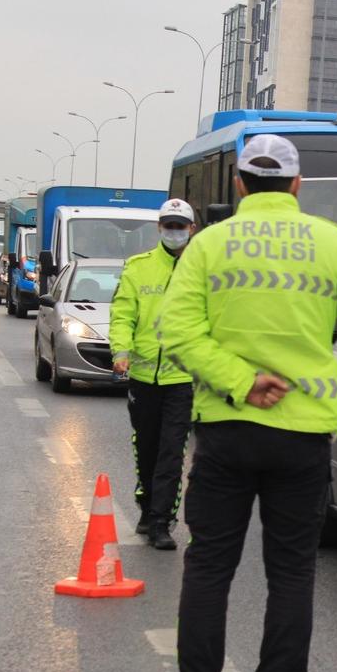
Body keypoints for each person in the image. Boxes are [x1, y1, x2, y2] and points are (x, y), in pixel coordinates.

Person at [157, 134, 337, 672]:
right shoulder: (334, 244)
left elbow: (176, 331)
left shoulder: (208, 244)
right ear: (296, 185)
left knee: (208, 570)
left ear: (238, 185)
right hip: (303, 440)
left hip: (226, 434)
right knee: (291, 575)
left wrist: (239, 381)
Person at [108, 199, 198, 550]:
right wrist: (121, 351)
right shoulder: (138, 267)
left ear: (191, 230)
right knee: (146, 447)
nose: (174, 231)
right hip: (143, 378)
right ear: (159, 227)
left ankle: (162, 520)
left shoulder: (202, 270)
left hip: (182, 379)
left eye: (180, 226)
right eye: (169, 225)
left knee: (171, 452)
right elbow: (123, 313)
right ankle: (147, 509)